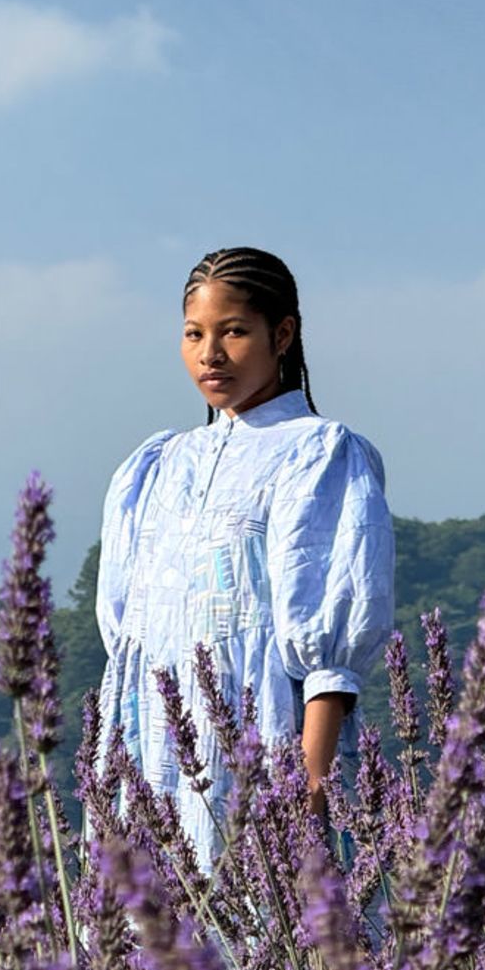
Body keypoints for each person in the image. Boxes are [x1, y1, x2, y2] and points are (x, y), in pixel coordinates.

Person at [94, 246, 394, 868]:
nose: (211, 354)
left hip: (264, 754)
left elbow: (330, 652)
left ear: (281, 334)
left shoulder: (318, 453)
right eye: (194, 334)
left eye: (234, 331)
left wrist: (309, 788)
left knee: (268, 947)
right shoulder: (155, 467)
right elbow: (127, 642)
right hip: (153, 765)